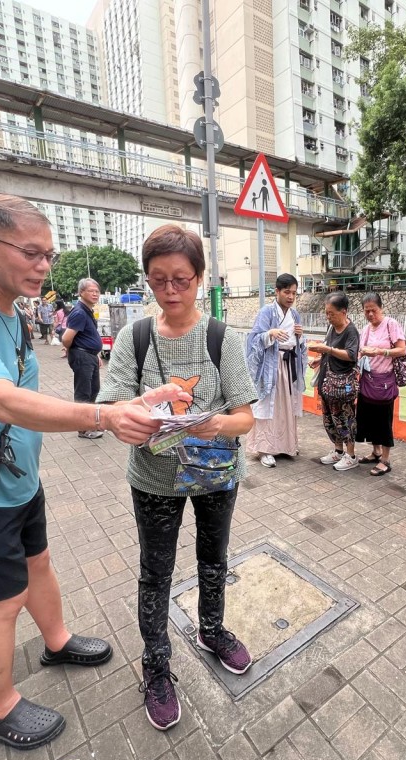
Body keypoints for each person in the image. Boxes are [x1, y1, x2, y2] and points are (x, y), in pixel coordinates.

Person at [0, 194, 189, 751]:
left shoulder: (10, 311)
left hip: (17, 477)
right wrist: (105, 416)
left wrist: (137, 401)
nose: (44, 266)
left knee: (38, 562)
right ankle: (1, 708)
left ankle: (57, 641)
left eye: (50, 256)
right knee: (3, 600)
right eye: (32, 253)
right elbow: (5, 402)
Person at [96, 224, 257, 732]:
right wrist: (136, 414)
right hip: (153, 478)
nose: (170, 290)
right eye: (159, 279)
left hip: (215, 474)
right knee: (156, 571)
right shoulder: (134, 337)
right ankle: (156, 666)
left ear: (200, 279)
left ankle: (212, 630)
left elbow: (245, 417)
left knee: (214, 560)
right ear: (148, 279)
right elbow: (110, 407)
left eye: (181, 280)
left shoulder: (220, 337)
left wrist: (210, 422)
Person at [246, 273, 307, 467]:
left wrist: (300, 336)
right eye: (287, 292)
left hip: (288, 365)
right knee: (267, 405)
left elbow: (297, 342)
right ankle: (265, 449)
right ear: (277, 291)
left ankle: (285, 445)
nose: (290, 297)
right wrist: (269, 334)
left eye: (294, 293)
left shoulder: (294, 314)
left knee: (286, 406)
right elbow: (253, 339)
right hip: (271, 365)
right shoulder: (267, 312)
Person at [354, 292, 406, 476]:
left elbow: (402, 350)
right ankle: (375, 452)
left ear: (381, 308)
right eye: (366, 311)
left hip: (384, 381)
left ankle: (385, 459)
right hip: (368, 380)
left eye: (373, 310)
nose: (370, 315)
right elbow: (360, 351)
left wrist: (379, 352)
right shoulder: (366, 329)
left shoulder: (391, 324)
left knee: (384, 421)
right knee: (368, 419)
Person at [308, 292, 360, 471]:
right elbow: (327, 350)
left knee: (345, 419)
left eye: (331, 313)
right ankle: (338, 450)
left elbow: (351, 355)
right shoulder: (331, 328)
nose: (328, 317)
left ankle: (351, 455)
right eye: (326, 313)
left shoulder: (351, 331)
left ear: (343, 311)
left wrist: (328, 349)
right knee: (330, 419)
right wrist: (319, 358)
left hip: (342, 385)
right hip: (327, 382)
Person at [62, 278, 104, 438]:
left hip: (89, 356)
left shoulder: (87, 310)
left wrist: (95, 354)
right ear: (81, 293)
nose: (95, 294)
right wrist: (80, 351)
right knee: (83, 393)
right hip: (82, 356)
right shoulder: (79, 312)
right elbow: (66, 338)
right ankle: (83, 429)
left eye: (97, 291)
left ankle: (91, 424)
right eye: (91, 291)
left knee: (93, 391)